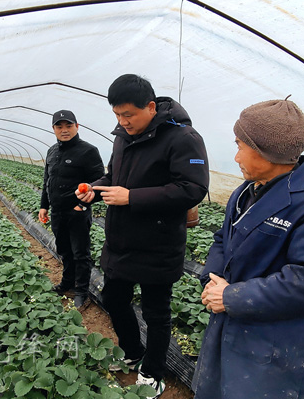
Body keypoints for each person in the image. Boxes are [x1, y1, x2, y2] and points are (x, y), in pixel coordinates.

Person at [192, 97, 304, 399]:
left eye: (240, 146)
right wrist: (212, 280)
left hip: (281, 356)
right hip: (231, 330)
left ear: (265, 151)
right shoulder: (247, 191)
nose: (236, 157)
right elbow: (224, 238)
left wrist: (232, 296)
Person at [77, 74, 209, 398]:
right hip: (121, 240)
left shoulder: (183, 138)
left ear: (150, 107)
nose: (122, 122)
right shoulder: (122, 137)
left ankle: (153, 371)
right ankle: (133, 350)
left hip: (158, 244)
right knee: (114, 299)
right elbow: (114, 176)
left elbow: (193, 188)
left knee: (156, 312)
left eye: (128, 115)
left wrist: (132, 197)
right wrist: (95, 189)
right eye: (117, 115)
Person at [39, 109, 104, 308]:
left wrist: (81, 206)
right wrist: (44, 206)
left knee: (80, 253)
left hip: (78, 212)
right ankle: (67, 282)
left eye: (68, 125)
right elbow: (47, 181)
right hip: (57, 212)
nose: (64, 130)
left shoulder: (88, 151)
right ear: (53, 129)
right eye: (59, 126)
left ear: (77, 126)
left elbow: (99, 185)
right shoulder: (52, 151)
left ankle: (81, 291)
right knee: (64, 250)